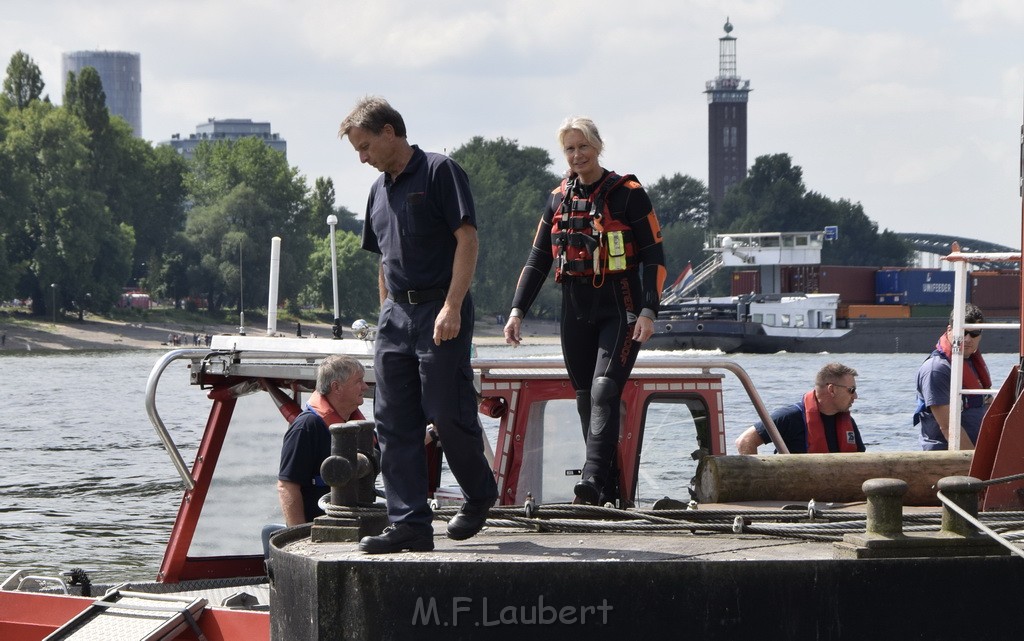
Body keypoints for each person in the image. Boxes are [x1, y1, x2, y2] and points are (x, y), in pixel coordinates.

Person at [339, 96, 498, 554]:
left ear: (390, 132)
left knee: (447, 413)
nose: (362, 157)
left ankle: (480, 491)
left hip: (439, 308)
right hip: (395, 317)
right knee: (392, 422)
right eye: (357, 151)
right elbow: (383, 261)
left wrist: (452, 305)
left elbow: (467, 239)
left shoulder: (440, 171)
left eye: (365, 146)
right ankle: (409, 523)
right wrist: (385, 313)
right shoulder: (377, 191)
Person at [503, 116, 667, 506]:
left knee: (604, 388)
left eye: (583, 147)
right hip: (574, 308)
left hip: (621, 306)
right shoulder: (558, 198)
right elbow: (538, 259)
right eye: (570, 149)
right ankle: (604, 491)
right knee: (583, 397)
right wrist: (516, 312)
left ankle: (591, 480)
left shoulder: (629, 194)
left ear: (597, 146)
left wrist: (648, 309)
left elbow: (654, 256)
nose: (577, 155)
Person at [277, 354, 369, 526]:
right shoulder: (306, 427)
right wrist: (299, 535)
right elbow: (286, 486)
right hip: (319, 531)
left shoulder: (355, 425)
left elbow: (390, 448)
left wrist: (432, 431)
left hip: (354, 526)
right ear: (337, 387)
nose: (365, 387)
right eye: (359, 381)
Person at [735, 362, 865, 454]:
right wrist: (757, 482)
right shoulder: (789, 417)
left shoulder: (848, 423)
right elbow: (745, 441)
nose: (855, 396)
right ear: (832, 389)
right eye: (851, 390)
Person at [914, 304, 991, 450]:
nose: (968, 339)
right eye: (963, 332)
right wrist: (974, 463)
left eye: (974, 333)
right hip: (946, 458)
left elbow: (988, 404)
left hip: (976, 452)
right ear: (950, 330)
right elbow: (948, 428)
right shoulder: (936, 370)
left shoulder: (973, 364)